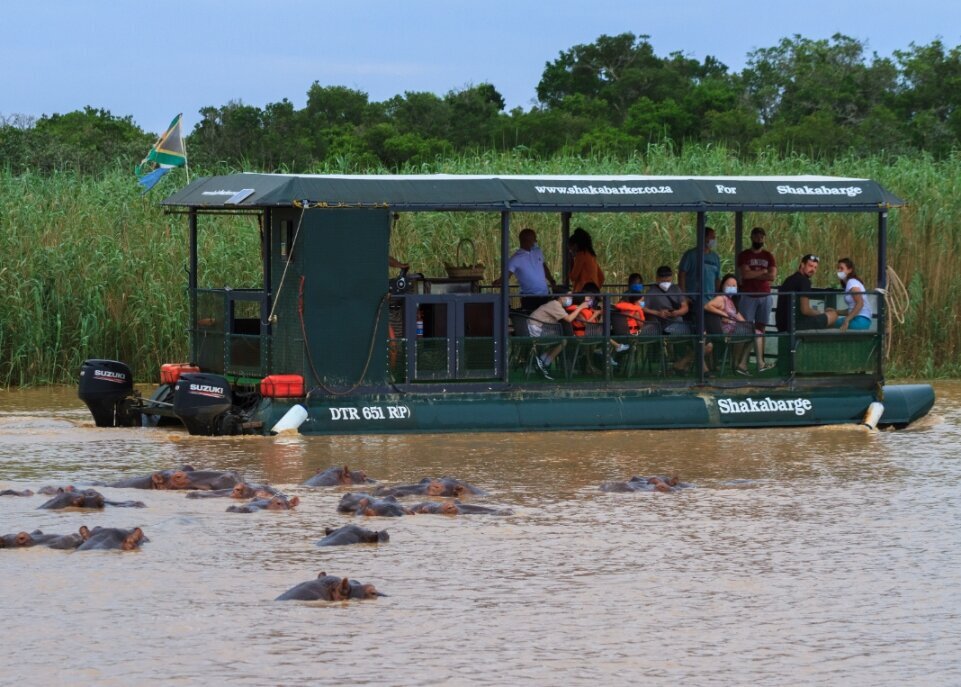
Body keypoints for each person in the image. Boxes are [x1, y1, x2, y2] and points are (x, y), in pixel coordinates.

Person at [736, 227, 777, 371]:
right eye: (757, 236)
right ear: (752, 237)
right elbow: (745, 275)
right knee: (744, 328)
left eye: (762, 237)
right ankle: (739, 361)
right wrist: (762, 272)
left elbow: (772, 276)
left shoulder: (768, 255)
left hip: (765, 295)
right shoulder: (744, 255)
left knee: (761, 328)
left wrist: (754, 273)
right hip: (748, 295)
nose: (759, 239)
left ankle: (761, 361)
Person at [528, 291, 592, 380]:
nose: (570, 299)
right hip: (536, 331)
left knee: (562, 339)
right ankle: (543, 362)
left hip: (539, 329)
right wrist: (580, 307)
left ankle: (542, 361)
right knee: (563, 340)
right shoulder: (555, 305)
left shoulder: (556, 305)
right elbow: (569, 319)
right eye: (568, 296)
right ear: (561, 296)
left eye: (571, 297)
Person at [493, 227, 556, 312]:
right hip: (529, 298)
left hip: (545, 296)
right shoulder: (516, 258)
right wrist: (499, 281)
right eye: (534, 239)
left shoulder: (538, 252)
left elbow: (544, 267)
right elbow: (506, 276)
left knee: (546, 321)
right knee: (532, 322)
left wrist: (552, 280)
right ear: (526, 241)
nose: (536, 241)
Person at [704, 274, 753, 375]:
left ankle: (740, 363)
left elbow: (740, 318)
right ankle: (738, 364)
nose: (732, 288)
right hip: (725, 331)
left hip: (734, 329)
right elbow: (708, 306)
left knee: (755, 332)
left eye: (734, 285)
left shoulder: (732, 301)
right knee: (747, 333)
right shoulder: (721, 298)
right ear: (722, 286)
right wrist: (724, 314)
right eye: (728, 285)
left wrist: (749, 326)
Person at [776, 254, 838, 332]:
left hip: (782, 325)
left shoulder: (789, 279)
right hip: (795, 325)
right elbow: (805, 310)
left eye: (815, 267)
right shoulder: (804, 281)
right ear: (802, 265)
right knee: (833, 315)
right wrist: (820, 313)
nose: (813, 270)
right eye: (810, 266)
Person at [678, 225, 721, 300]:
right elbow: (682, 275)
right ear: (704, 238)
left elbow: (717, 278)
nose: (714, 240)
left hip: (711, 300)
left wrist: (717, 295)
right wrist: (684, 295)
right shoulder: (690, 255)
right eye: (712, 237)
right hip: (693, 299)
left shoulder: (715, 257)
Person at [834, 258, 873, 331]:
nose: (839, 270)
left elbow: (860, 303)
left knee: (832, 322)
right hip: (860, 319)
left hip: (860, 320)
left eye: (841, 268)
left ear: (850, 270)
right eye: (838, 268)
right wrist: (836, 311)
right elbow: (852, 309)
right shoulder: (851, 283)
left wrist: (847, 320)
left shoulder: (852, 282)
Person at [568, 227, 605, 292]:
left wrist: (571, 260)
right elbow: (601, 277)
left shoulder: (580, 255)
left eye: (570, 248)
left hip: (583, 291)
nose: (570, 251)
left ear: (575, 245)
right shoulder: (591, 255)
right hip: (593, 292)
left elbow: (573, 277)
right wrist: (595, 289)